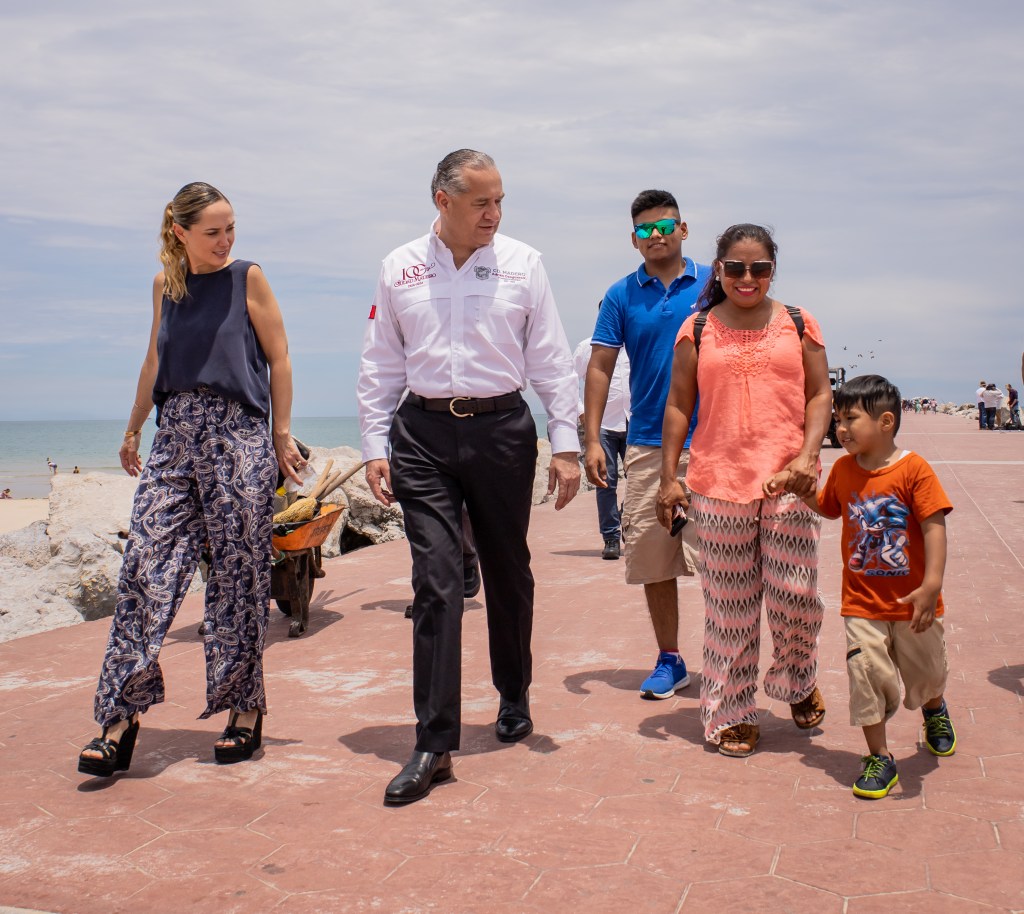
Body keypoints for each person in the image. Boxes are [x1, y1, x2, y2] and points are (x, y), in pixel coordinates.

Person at [357, 149, 580, 805]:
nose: (494, 213)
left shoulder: (523, 264)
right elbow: (381, 362)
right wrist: (375, 443)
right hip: (422, 435)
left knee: (509, 571)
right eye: (481, 201)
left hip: (502, 431)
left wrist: (564, 444)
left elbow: (550, 360)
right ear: (442, 201)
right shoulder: (399, 268)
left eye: (500, 201)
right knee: (436, 582)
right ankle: (434, 742)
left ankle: (514, 692)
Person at [77, 182, 302, 778]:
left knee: (238, 578)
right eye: (213, 231)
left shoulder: (246, 277)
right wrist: (132, 429)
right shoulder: (165, 285)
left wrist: (281, 437)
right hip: (174, 436)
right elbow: (154, 359)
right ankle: (118, 720)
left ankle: (243, 712)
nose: (226, 241)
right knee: (144, 571)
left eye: (231, 229)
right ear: (179, 232)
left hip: (239, 436)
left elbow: (278, 356)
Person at [656, 223, 832, 757]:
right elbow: (679, 405)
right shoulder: (699, 328)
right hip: (719, 483)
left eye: (759, 268)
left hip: (790, 484)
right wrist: (669, 478)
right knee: (730, 605)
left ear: (772, 269)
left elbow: (820, 394)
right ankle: (731, 710)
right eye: (735, 268)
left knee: (795, 596)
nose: (747, 278)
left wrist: (807, 457)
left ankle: (796, 681)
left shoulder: (799, 324)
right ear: (719, 270)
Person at [767, 374, 956, 798]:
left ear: (886, 421)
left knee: (927, 673)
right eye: (837, 419)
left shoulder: (914, 469)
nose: (841, 428)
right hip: (862, 604)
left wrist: (932, 585)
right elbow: (829, 508)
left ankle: (934, 709)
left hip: (912, 605)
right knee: (866, 675)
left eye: (850, 418)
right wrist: (799, 487)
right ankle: (879, 757)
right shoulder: (844, 469)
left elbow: (934, 527)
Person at [584, 190, 711, 699]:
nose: (655, 236)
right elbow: (600, 365)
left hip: (716, 442)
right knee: (655, 558)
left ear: (684, 229)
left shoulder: (715, 283)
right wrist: (591, 438)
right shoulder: (620, 295)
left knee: (723, 556)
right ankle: (670, 658)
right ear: (633, 240)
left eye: (665, 226)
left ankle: (728, 657)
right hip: (647, 444)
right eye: (644, 230)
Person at [573, 308, 630, 560]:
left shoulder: (634, 344)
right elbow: (567, 379)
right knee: (605, 482)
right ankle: (611, 537)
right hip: (603, 425)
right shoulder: (587, 347)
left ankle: (628, 521)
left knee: (642, 480)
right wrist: (581, 411)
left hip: (635, 422)